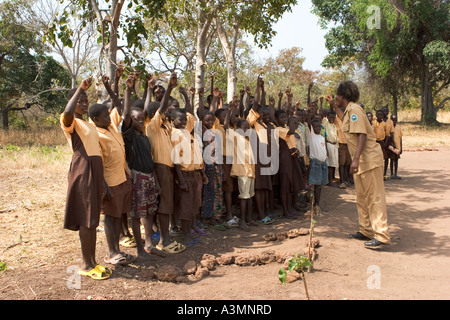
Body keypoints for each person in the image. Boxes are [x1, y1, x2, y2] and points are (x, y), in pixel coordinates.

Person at [326, 81, 390, 249]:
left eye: (337, 95)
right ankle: (366, 230)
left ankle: (381, 235)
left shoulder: (354, 110)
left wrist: (355, 159)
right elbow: (343, 118)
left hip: (368, 160)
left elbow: (361, 134)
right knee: (361, 197)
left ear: (344, 95)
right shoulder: (348, 112)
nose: (336, 97)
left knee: (375, 197)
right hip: (361, 162)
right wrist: (333, 105)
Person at [60, 76, 111, 280]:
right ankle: (86, 264)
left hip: (95, 170)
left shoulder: (88, 123)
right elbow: (67, 112)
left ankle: (93, 261)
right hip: (83, 170)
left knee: (92, 219)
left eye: (85, 100)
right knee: (86, 219)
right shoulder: (69, 121)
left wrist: (103, 180)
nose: (83, 103)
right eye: (79, 100)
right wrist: (80, 87)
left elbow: (96, 150)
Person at [121, 74, 165, 259]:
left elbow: (149, 161)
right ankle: (139, 247)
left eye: (142, 119)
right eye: (136, 119)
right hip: (137, 178)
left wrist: (155, 180)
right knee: (136, 214)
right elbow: (125, 115)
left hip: (148, 177)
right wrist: (129, 90)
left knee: (148, 213)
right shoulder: (129, 134)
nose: (140, 121)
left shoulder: (144, 136)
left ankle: (149, 244)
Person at [89, 101, 136, 266]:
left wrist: (128, 88)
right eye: (104, 116)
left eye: (108, 115)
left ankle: (117, 250)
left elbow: (121, 107)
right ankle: (111, 252)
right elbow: (98, 162)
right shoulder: (95, 134)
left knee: (118, 216)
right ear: (95, 119)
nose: (109, 117)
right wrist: (104, 185)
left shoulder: (112, 127)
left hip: (122, 178)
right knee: (110, 217)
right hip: (110, 182)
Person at [145, 72, 185, 254]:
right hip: (160, 168)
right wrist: (169, 87)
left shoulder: (166, 127)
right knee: (164, 206)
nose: (167, 111)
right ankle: (164, 241)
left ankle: (166, 239)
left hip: (168, 169)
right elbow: (161, 110)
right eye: (162, 110)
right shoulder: (152, 126)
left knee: (167, 205)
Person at [306, 106, 328, 216]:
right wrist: (310, 110)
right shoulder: (312, 136)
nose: (318, 128)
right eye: (316, 127)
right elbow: (309, 121)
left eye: (319, 126)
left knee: (320, 186)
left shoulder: (321, 137)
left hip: (323, 163)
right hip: (315, 163)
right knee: (314, 185)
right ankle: (312, 205)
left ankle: (317, 205)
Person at [323, 110, 339, 186]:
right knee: (329, 164)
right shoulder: (325, 123)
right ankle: (329, 180)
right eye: (330, 117)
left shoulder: (334, 125)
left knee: (333, 164)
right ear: (327, 117)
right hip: (329, 144)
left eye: (333, 117)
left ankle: (331, 179)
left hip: (335, 145)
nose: (332, 118)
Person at [372, 109, 389, 179]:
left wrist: (385, 143)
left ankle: (384, 173)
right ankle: (375, 173)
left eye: (381, 115)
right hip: (375, 142)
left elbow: (387, 134)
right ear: (376, 116)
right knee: (375, 158)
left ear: (382, 116)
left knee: (385, 158)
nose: (379, 116)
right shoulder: (373, 123)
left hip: (382, 142)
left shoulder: (384, 124)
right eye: (378, 115)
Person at [388, 114, 403, 179]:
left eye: (395, 120)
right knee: (391, 159)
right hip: (392, 147)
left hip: (397, 147)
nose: (394, 121)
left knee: (396, 160)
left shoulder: (398, 127)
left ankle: (395, 173)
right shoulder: (389, 127)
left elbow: (400, 138)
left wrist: (401, 148)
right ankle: (391, 174)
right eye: (393, 120)